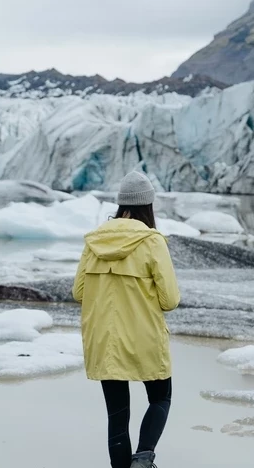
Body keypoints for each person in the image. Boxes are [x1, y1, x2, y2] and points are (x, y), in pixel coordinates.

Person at [73, 171, 181, 468]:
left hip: (104, 340)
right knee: (160, 398)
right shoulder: (152, 241)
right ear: (148, 206)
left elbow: (78, 291)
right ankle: (144, 459)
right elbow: (169, 300)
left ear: (121, 204)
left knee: (118, 416)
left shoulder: (94, 241)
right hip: (143, 337)